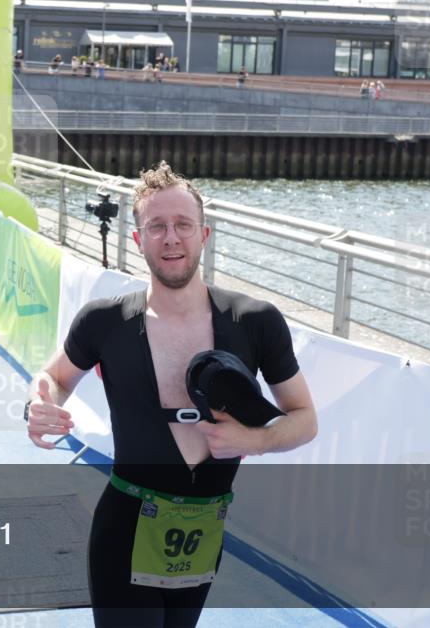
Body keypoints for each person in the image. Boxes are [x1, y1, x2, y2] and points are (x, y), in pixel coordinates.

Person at [25, 162, 317, 628]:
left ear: (204, 235)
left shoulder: (255, 321)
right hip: (125, 525)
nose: (171, 238)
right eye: (156, 227)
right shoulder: (105, 321)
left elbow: (304, 417)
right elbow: (54, 379)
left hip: (204, 531)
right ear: (138, 240)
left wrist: (254, 440)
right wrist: (40, 405)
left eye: (182, 225)